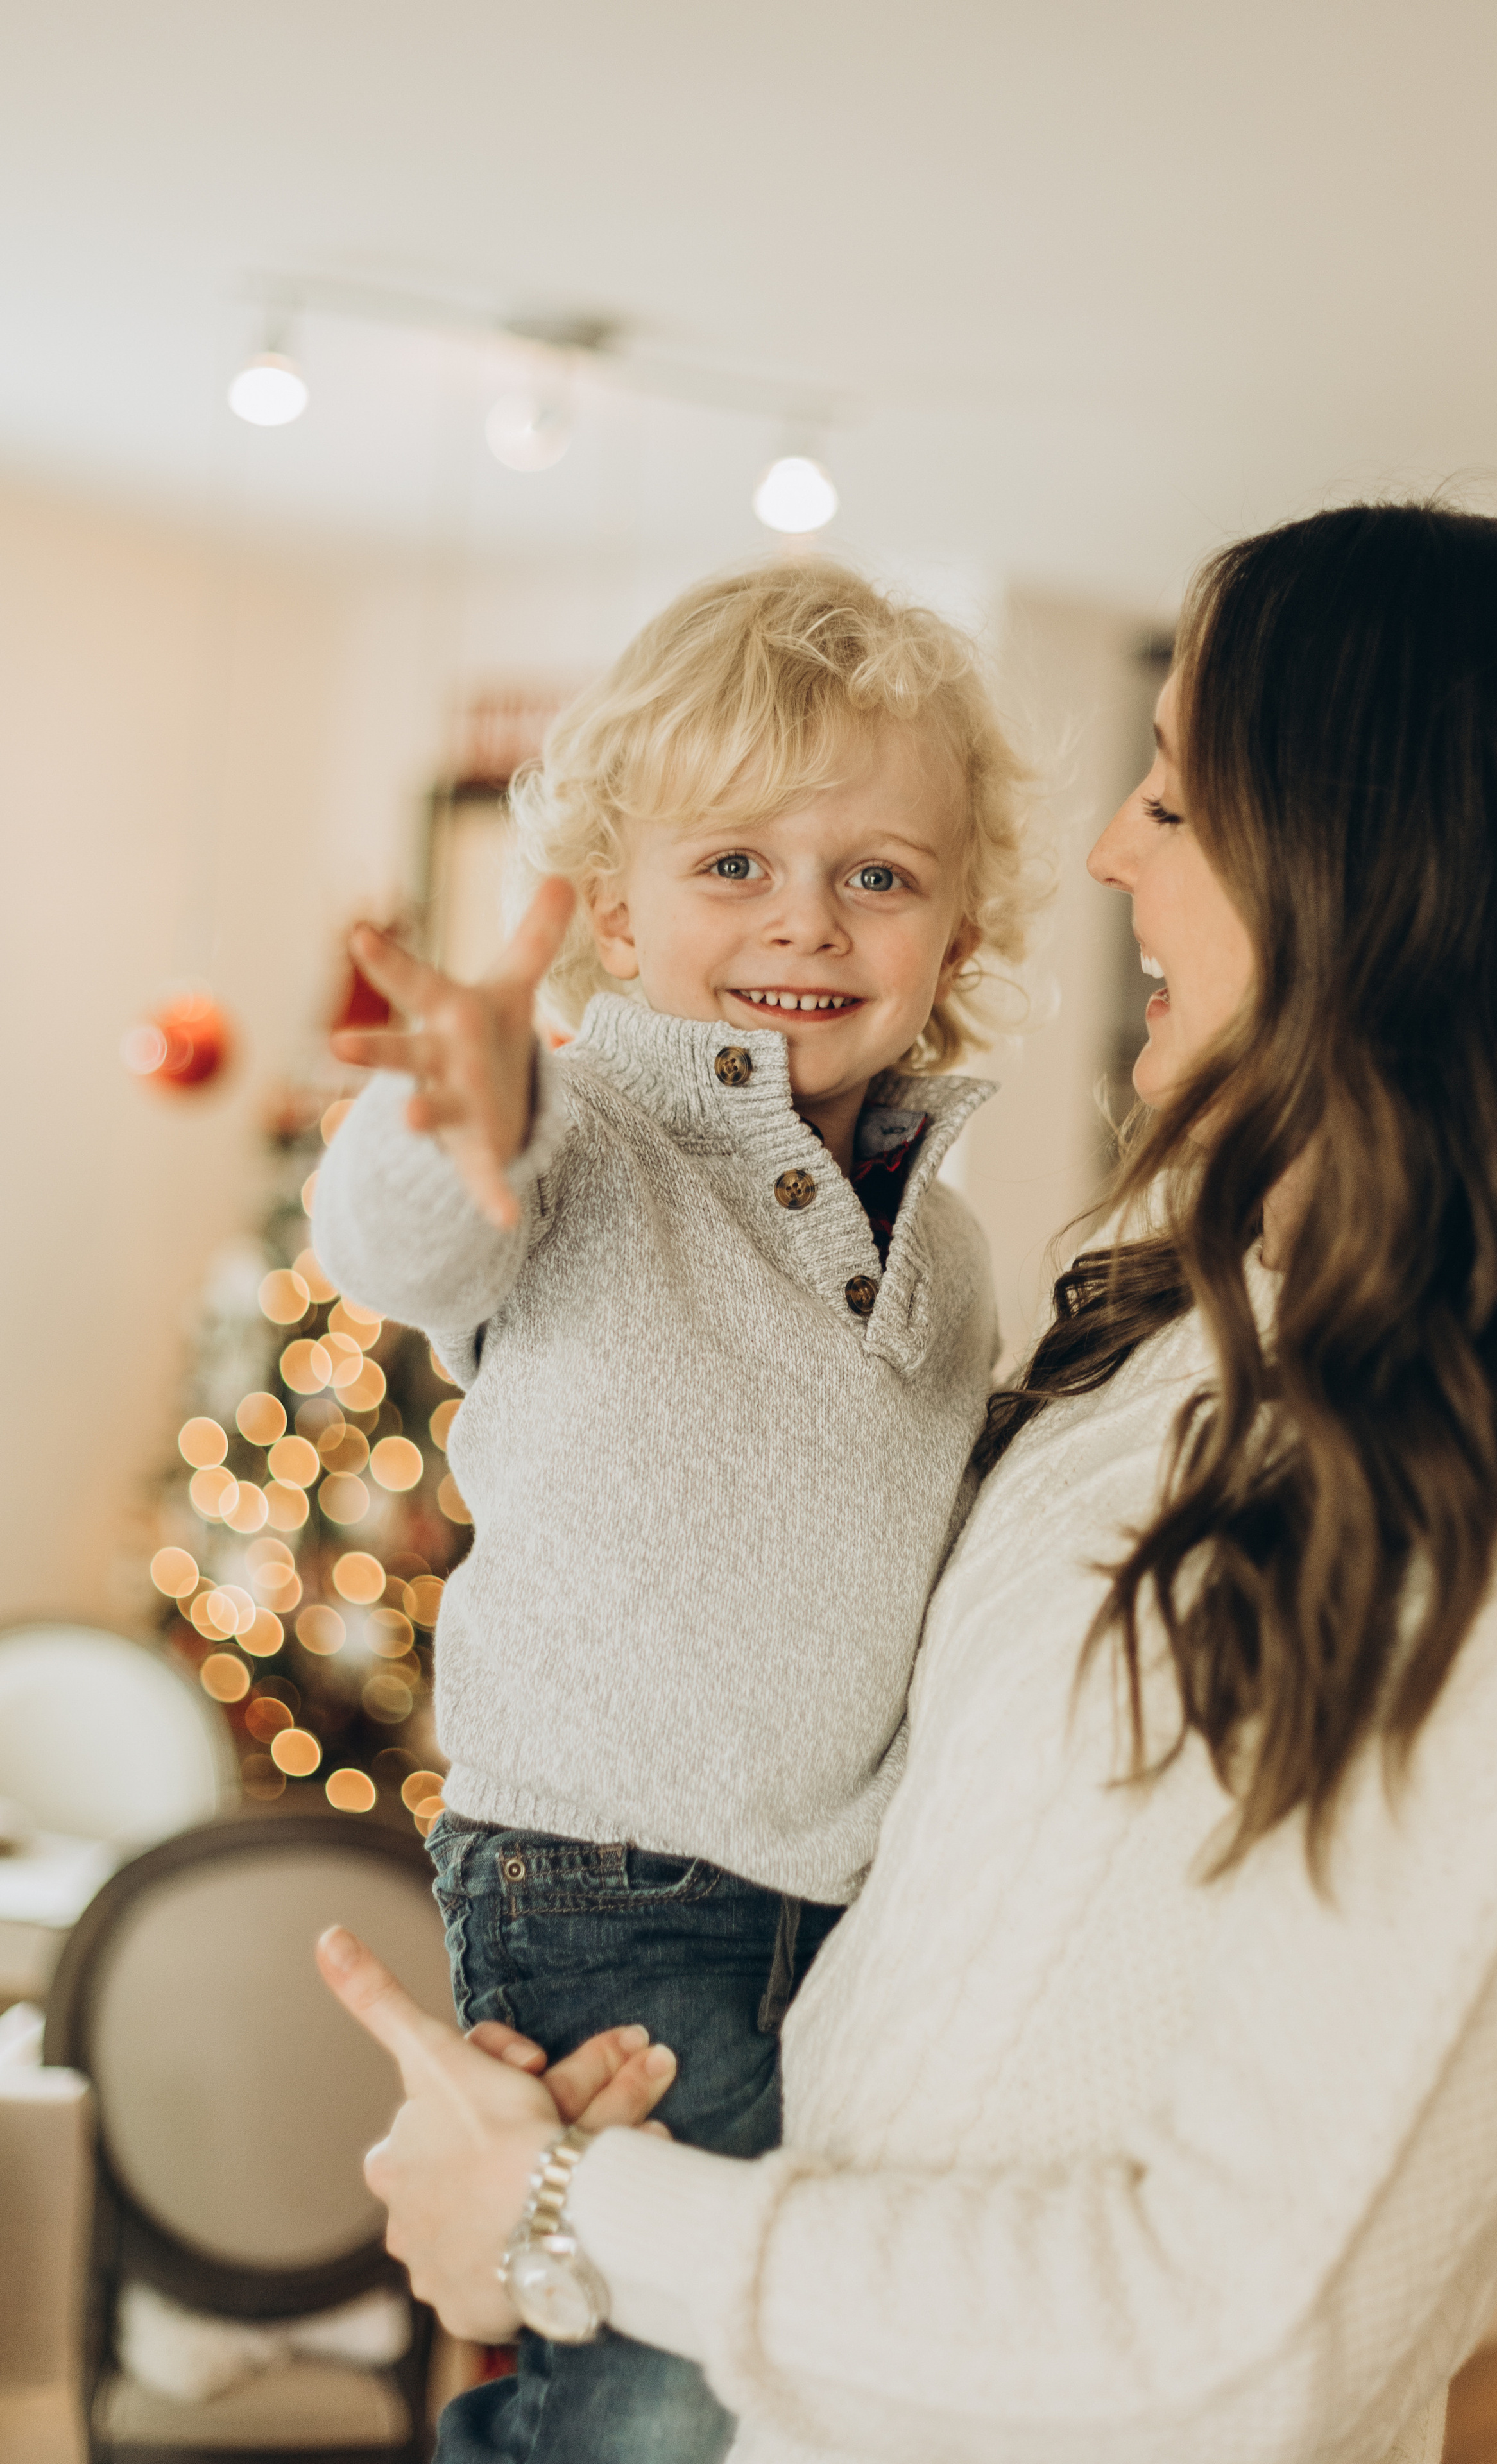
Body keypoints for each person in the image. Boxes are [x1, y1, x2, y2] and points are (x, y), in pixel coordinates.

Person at [323, 501, 1497, 2464]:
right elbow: (422, 1241)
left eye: (1179, 804)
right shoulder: (1173, 1342)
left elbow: (1241, 2341)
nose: (1111, 849)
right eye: (742, 864)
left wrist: (571, 2213)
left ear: (1393, 881)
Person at [312, 560, 1042, 2461]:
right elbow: (402, 1243)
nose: (807, 920)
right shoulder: (580, 1139)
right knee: (653, 2398)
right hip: (609, 1884)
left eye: (878, 873)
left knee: (796, 2377)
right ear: (614, 909)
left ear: (961, 924)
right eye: (734, 866)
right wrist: (443, 1114)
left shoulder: (946, 1241)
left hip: (851, 1895)